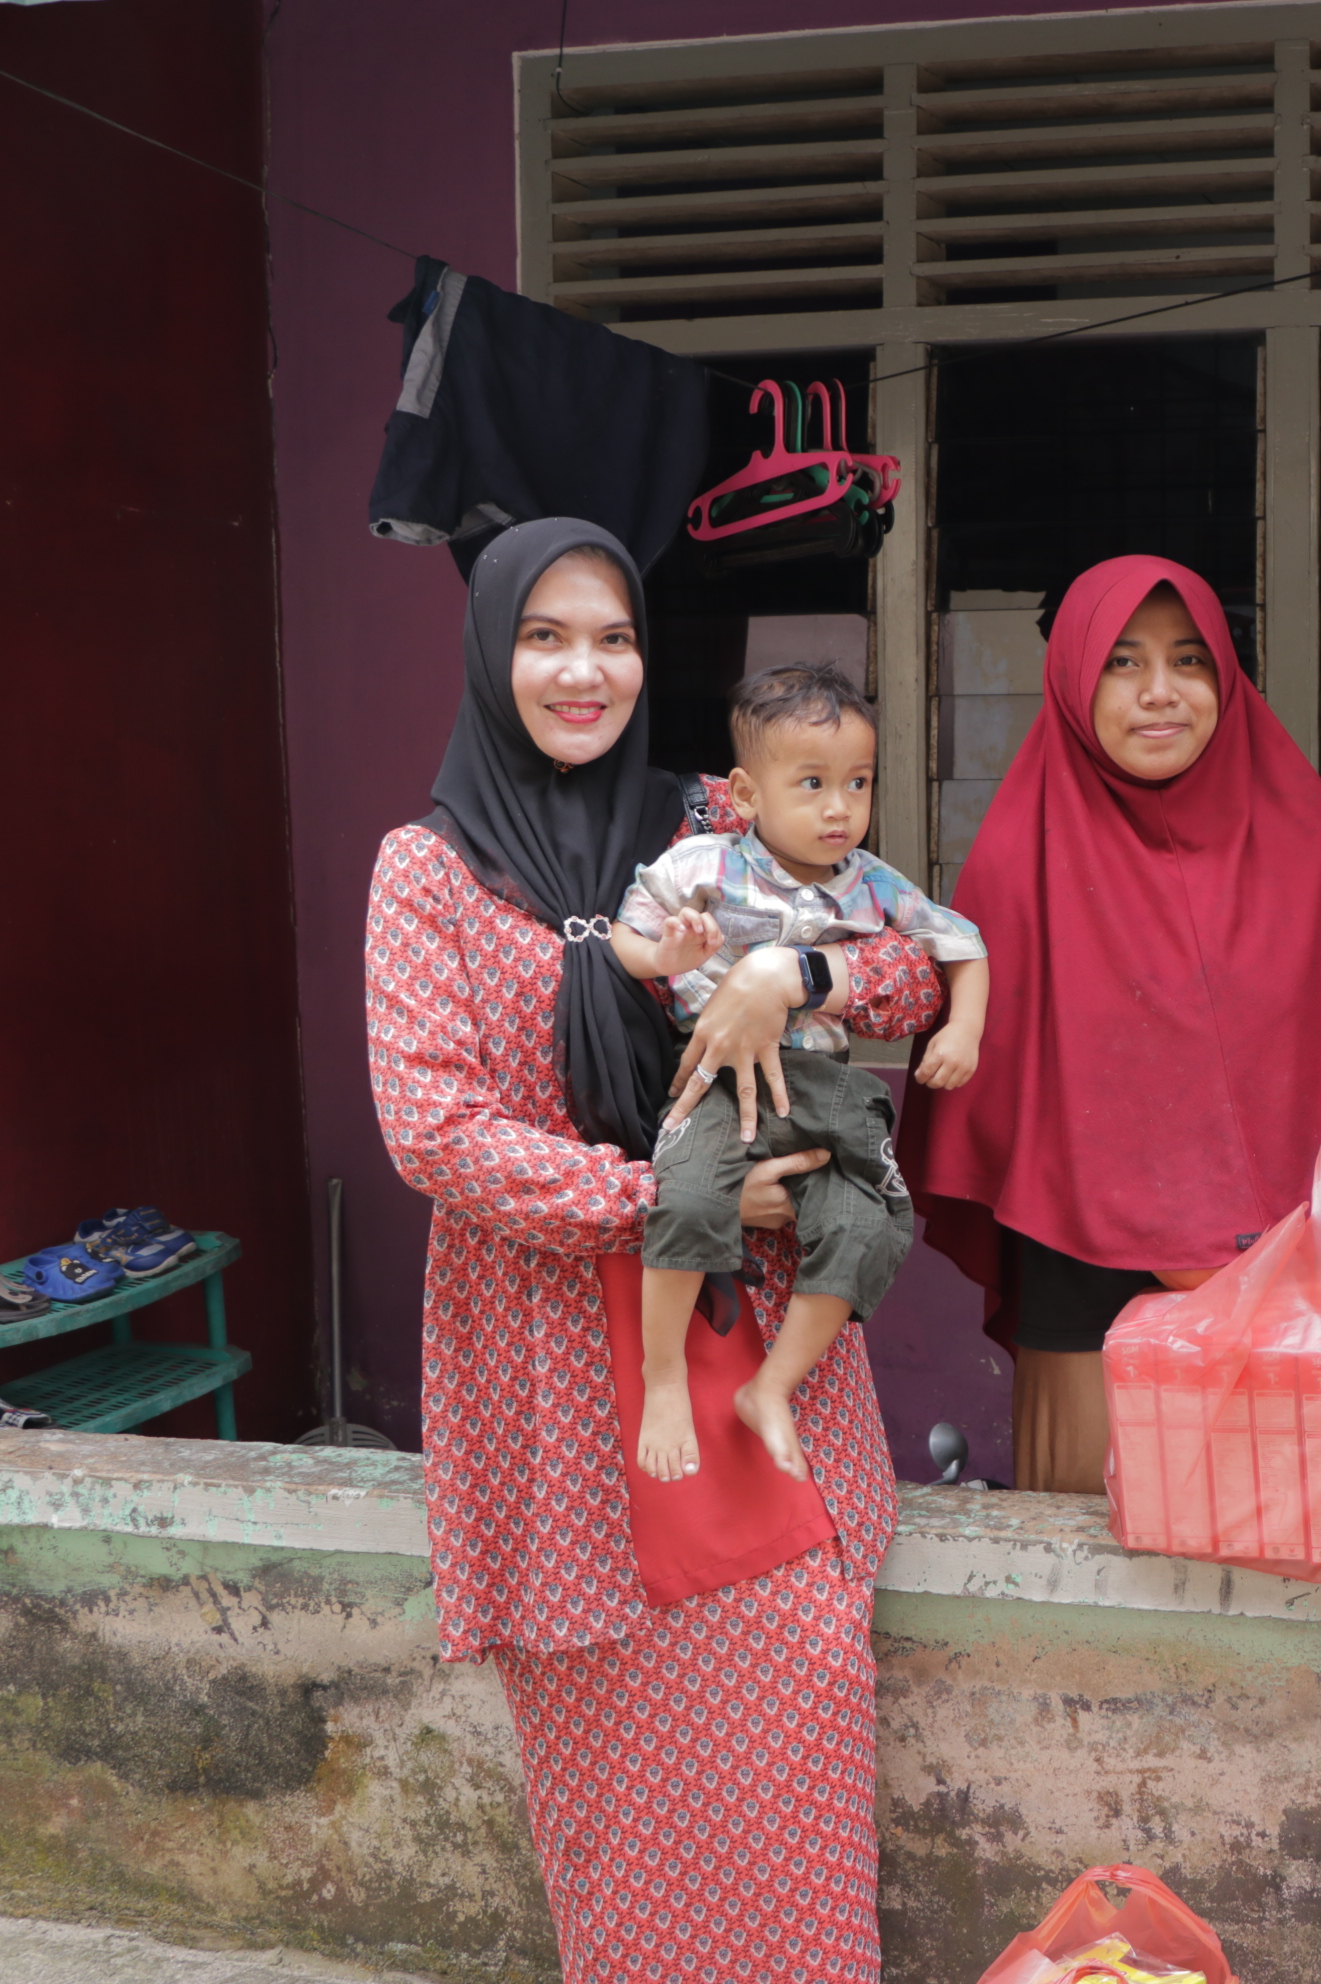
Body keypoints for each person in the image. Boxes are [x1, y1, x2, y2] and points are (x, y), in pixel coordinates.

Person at [366, 518, 946, 1984]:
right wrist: (662, 1201)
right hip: (560, 1376)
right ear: (490, 657)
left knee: (798, 1705)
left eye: (614, 637)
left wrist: (784, 966)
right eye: (544, 636)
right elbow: (433, 1128)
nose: (585, 670)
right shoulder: (425, 875)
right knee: (617, 1771)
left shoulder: (713, 821)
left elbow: (907, 970)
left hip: (758, 1359)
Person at [903, 554, 1321, 1494]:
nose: (1161, 693)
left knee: (1285, 1542)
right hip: (1078, 1256)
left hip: (1284, 1278)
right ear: (1074, 680)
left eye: (1190, 660)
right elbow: (988, 1099)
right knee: (1084, 1554)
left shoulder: (1307, 841)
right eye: (1122, 663)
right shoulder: (1015, 857)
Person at [613, 663, 989, 1484]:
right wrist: (666, 955)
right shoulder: (702, 866)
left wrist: (963, 1028)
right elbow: (625, 934)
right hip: (717, 1082)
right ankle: (664, 1374)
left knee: (872, 1223)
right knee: (686, 1199)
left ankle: (773, 1388)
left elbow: (960, 943)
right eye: (813, 783)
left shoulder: (872, 883)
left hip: (825, 1089)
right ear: (745, 794)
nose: (837, 808)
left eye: (856, 784)